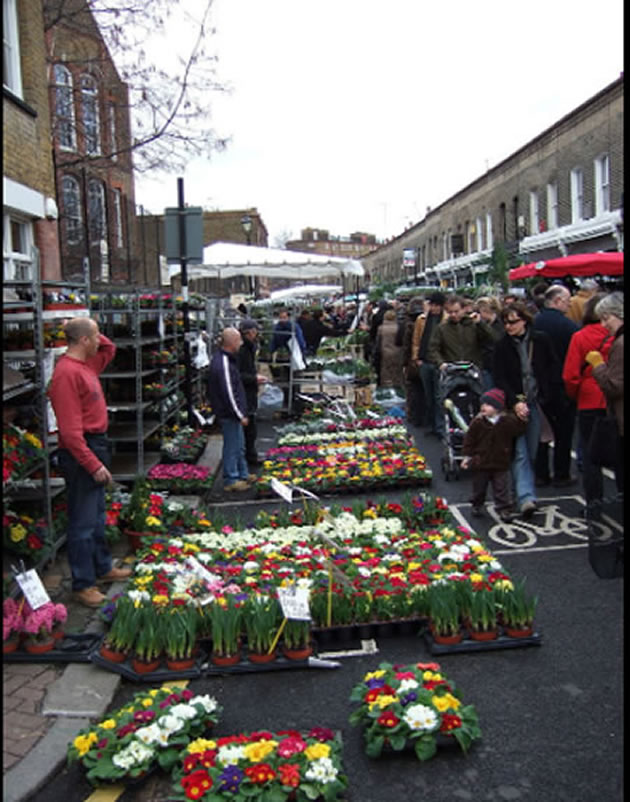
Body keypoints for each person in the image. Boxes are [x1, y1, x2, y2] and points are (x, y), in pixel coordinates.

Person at [48, 317, 131, 609]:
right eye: (94, 336)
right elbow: (70, 433)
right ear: (84, 341)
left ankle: (102, 567)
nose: (100, 340)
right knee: (83, 521)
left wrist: (80, 326)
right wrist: (92, 464)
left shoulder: (87, 365)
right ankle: (83, 585)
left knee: (96, 516)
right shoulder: (66, 374)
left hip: (95, 443)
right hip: (81, 450)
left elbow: (110, 349)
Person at [493, 301, 561, 520]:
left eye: (513, 322)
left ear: (524, 320)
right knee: (521, 452)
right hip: (514, 405)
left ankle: (521, 489)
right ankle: (525, 498)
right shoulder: (502, 345)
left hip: (536, 402)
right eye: (505, 323)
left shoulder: (540, 340)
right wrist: (514, 401)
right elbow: (500, 377)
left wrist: (546, 396)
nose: (508, 326)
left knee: (532, 450)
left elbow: (552, 367)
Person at [562, 294, 612, 523]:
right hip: (613, 401)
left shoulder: (580, 337)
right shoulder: (615, 336)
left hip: (589, 401)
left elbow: (570, 375)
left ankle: (594, 506)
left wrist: (576, 395)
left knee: (592, 458)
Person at [533, 284, 579, 486]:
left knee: (540, 433)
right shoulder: (569, 327)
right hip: (562, 384)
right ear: (557, 301)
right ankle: (562, 473)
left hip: (538, 385)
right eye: (567, 301)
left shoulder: (533, 323)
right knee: (564, 433)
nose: (569, 305)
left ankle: (541, 474)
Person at [461, 387, 526, 522]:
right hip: (481, 462)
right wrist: (467, 457)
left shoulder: (507, 421)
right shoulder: (478, 422)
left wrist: (523, 419)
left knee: (501, 488)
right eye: (483, 404)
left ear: (498, 408)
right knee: (479, 487)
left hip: (500, 461)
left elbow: (518, 430)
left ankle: (504, 509)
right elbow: (469, 440)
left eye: (488, 405)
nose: (483, 407)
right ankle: (477, 504)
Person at [586, 291, 624, 502]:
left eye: (606, 318)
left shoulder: (620, 344)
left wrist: (598, 366)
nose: (603, 324)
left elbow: (614, 386)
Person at [207, 327, 254, 492]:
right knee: (232, 446)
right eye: (239, 340)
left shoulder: (225, 360)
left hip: (231, 412)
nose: (241, 343)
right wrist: (239, 414)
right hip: (229, 413)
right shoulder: (224, 363)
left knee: (239, 445)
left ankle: (242, 474)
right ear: (232, 342)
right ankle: (231, 479)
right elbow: (228, 392)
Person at [411, 291, 446, 436]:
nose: (434, 308)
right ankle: (432, 425)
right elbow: (416, 340)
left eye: (437, 305)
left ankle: (440, 427)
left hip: (439, 363)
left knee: (439, 397)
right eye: (432, 305)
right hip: (424, 361)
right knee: (429, 396)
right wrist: (417, 358)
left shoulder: (446, 319)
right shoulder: (421, 319)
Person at [236, 319, 267, 468]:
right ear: (249, 333)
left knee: (251, 427)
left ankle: (250, 455)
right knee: (248, 428)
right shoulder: (242, 350)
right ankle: (247, 458)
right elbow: (237, 374)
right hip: (244, 393)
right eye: (255, 331)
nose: (257, 334)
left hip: (248, 391)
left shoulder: (248, 347)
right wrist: (254, 378)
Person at [401, 296, 426, 426]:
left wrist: (405, 363)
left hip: (413, 362)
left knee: (414, 390)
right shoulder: (426, 322)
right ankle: (425, 418)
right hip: (425, 361)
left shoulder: (408, 324)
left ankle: (415, 417)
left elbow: (406, 345)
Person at [476, 296, 504, 390]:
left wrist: (481, 324)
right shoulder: (481, 325)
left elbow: (496, 338)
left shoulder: (500, 323)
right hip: (485, 363)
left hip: (497, 362)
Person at [374, 308, 404, 389]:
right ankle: (398, 390)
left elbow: (378, 343)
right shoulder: (399, 328)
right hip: (397, 354)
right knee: (397, 374)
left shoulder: (381, 328)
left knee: (386, 375)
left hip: (385, 354)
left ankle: (387, 390)